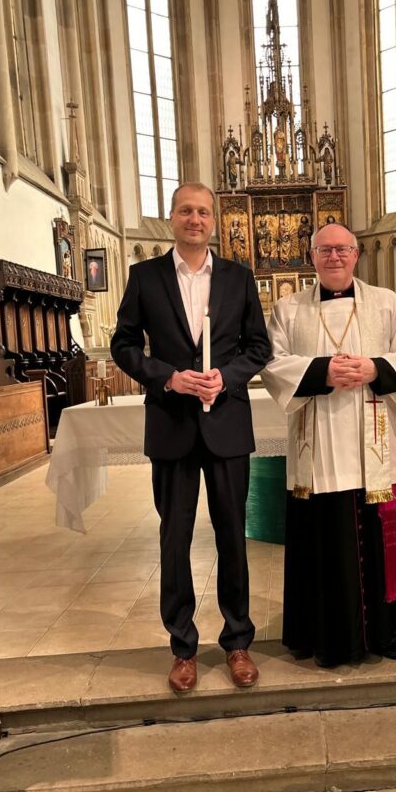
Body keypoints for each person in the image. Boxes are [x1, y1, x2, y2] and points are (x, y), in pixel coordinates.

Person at [111, 182, 271, 693]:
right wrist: (167, 377)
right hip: (172, 425)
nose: (195, 219)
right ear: (173, 217)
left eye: (203, 212)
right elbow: (123, 344)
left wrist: (227, 376)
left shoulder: (238, 278)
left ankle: (238, 642)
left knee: (232, 537)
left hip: (226, 423)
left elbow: (258, 346)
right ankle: (182, 648)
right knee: (175, 539)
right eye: (186, 211)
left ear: (214, 221)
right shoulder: (145, 277)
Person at [262, 223, 396, 667]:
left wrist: (375, 369)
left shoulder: (386, 302)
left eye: (342, 249)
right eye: (325, 250)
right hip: (318, 447)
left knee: (379, 538)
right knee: (324, 541)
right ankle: (322, 636)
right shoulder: (288, 309)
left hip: (374, 443)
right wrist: (322, 373)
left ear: (356, 254)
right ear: (312, 257)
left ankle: (384, 632)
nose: (334, 256)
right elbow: (273, 363)